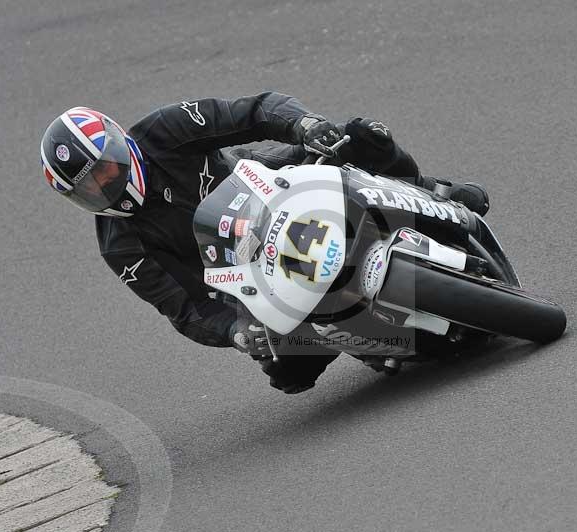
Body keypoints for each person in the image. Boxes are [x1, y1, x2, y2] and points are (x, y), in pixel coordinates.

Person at [40, 92, 489, 393]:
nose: (107, 184)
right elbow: (185, 308)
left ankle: (432, 193)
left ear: (121, 146)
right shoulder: (120, 247)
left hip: (276, 186)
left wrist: (303, 126)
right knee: (288, 374)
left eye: (108, 169)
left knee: (360, 134)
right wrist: (235, 331)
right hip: (250, 276)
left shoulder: (165, 129)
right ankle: (369, 339)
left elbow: (254, 111)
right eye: (91, 188)